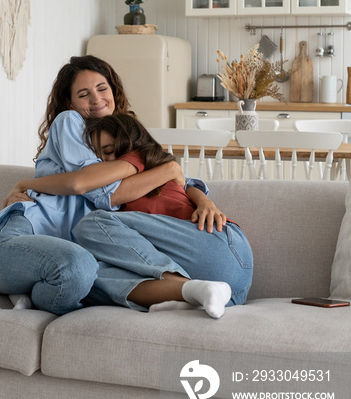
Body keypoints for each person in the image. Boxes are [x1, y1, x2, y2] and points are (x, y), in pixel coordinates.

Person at [0, 55, 198, 315]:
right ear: (69, 102)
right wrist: (162, 169)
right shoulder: (71, 122)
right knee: (78, 268)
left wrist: (199, 195)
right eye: (84, 94)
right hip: (22, 236)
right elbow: (98, 189)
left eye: (102, 88)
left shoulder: (124, 136)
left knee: (88, 276)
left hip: (69, 258)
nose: (96, 99)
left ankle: (28, 293)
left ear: (114, 91)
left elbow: (176, 180)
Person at [70, 113, 253, 319]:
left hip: (217, 245)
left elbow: (182, 181)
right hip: (226, 292)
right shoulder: (158, 179)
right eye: (98, 156)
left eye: (110, 152)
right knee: (90, 279)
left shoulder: (150, 168)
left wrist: (205, 202)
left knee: (92, 223)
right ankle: (189, 293)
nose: (104, 161)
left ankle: (183, 287)